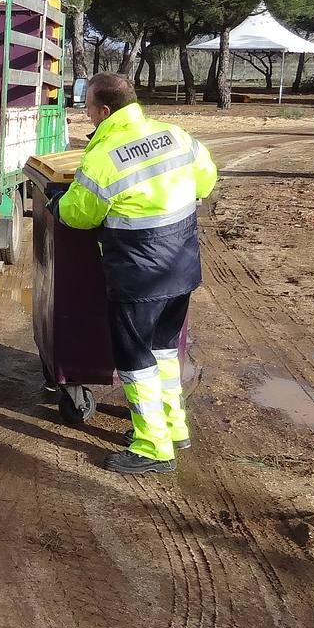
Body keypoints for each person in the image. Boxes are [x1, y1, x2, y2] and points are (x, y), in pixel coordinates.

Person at [57, 73, 217, 475]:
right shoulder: (176, 135)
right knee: (164, 349)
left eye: (89, 108)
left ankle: (152, 446)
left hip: (138, 276)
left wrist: (59, 203)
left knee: (135, 359)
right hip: (181, 267)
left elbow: (79, 215)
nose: (87, 115)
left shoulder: (104, 155)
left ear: (104, 110)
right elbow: (206, 181)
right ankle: (175, 427)